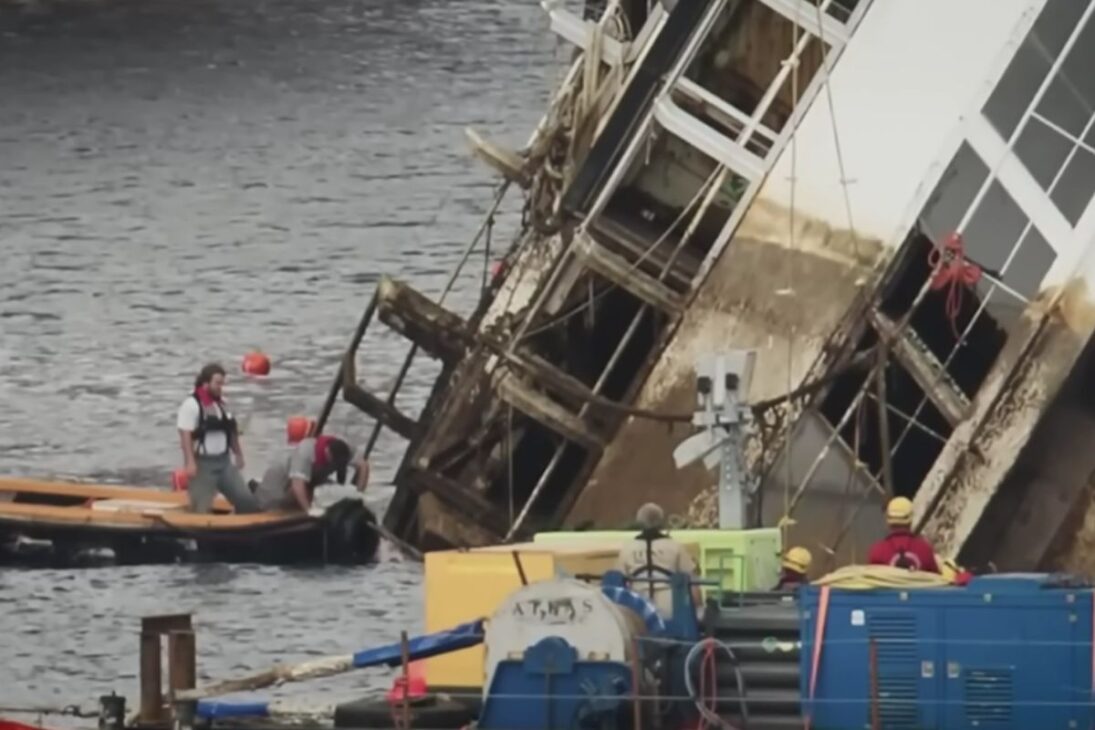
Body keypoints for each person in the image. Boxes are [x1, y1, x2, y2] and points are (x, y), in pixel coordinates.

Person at [177, 363, 259, 514]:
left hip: (224, 463)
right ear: (205, 383)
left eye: (222, 383)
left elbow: (231, 431)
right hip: (203, 465)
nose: (221, 387)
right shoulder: (192, 405)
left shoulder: (223, 405)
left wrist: (239, 454)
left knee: (247, 501)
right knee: (200, 509)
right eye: (217, 383)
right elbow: (185, 434)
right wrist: (189, 462)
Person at [615, 503, 701, 617]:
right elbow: (692, 580)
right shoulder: (675, 546)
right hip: (670, 607)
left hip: (638, 607)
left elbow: (618, 581)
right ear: (661, 521)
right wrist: (699, 608)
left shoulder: (628, 549)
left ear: (639, 522)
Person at [253, 434, 369, 514]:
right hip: (280, 484)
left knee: (333, 491)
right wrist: (309, 511)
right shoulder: (306, 451)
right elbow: (297, 486)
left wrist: (359, 497)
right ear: (327, 453)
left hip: (311, 478)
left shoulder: (345, 448)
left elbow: (363, 466)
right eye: (334, 463)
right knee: (275, 505)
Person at [867, 496, 940, 573]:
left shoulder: (877, 552)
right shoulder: (925, 550)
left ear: (888, 520)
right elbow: (936, 580)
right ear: (911, 519)